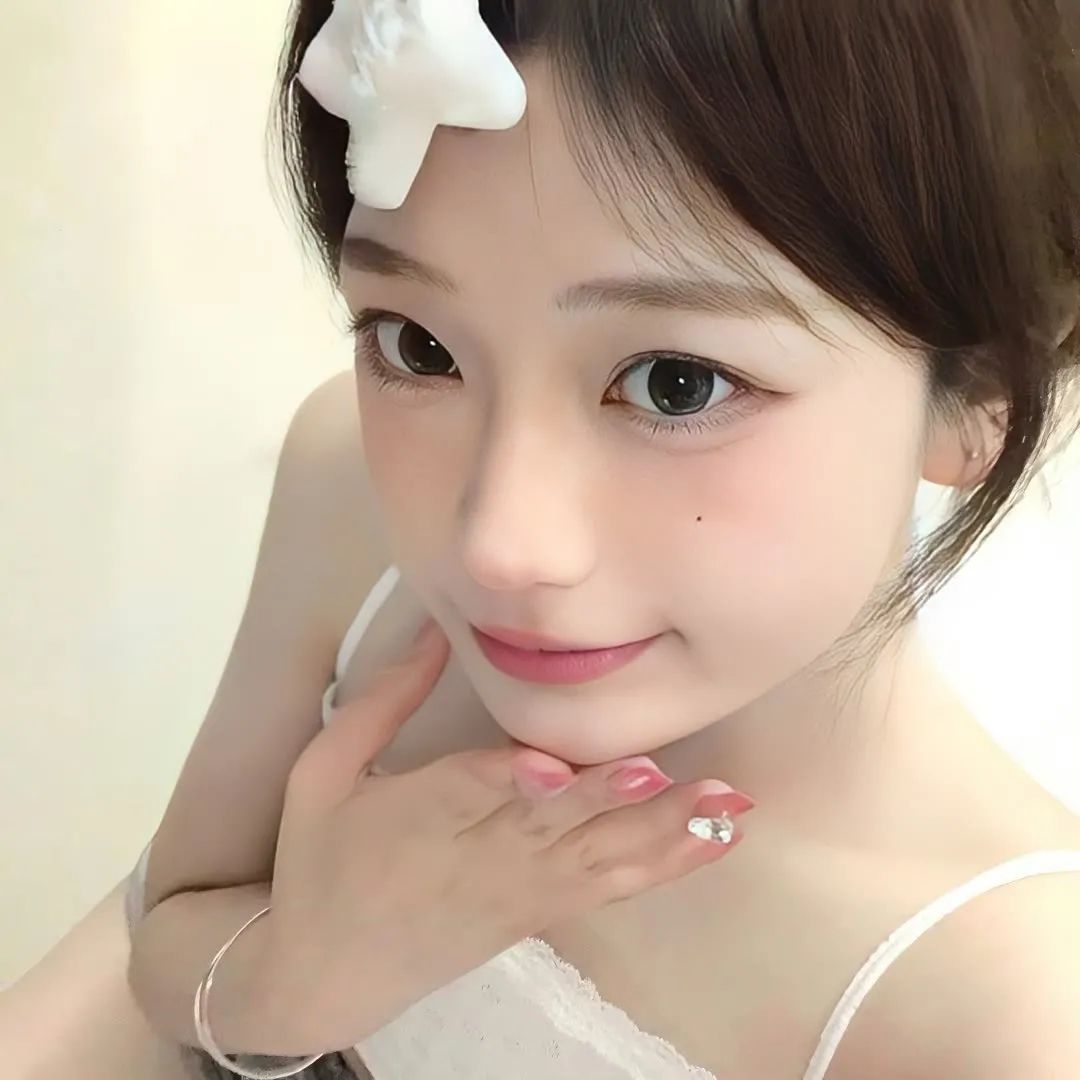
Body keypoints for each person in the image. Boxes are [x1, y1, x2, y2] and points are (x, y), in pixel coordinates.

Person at [124, 2, 1080, 1078]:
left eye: (678, 384)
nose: (500, 546)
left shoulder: (1012, 1016)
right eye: (421, 346)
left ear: (982, 393)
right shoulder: (347, 484)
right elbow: (164, 925)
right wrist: (295, 976)